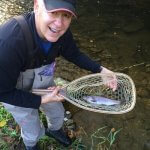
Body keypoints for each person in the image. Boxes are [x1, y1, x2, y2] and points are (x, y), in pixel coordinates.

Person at [0, 0, 117, 149]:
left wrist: (100, 69)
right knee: (31, 127)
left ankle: (54, 130)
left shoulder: (60, 32)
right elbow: (2, 92)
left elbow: (74, 54)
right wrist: (40, 100)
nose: (59, 23)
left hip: (44, 83)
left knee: (57, 112)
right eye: (53, 12)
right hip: (13, 92)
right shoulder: (8, 43)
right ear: (36, 6)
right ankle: (31, 145)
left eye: (66, 15)